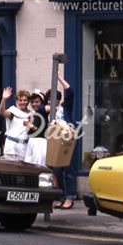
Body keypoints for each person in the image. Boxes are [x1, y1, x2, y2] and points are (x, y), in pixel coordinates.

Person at [47, 72, 78, 210]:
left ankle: (70, 197)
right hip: (55, 142)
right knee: (57, 171)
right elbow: (38, 109)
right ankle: (60, 196)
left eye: (55, 99)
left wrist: (60, 79)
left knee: (69, 170)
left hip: (67, 139)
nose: (52, 101)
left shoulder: (65, 108)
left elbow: (70, 92)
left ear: (60, 100)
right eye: (49, 99)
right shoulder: (48, 111)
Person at [0, 88, 32, 159]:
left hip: (23, 145)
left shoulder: (32, 114)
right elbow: (2, 112)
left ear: (28, 101)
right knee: (9, 166)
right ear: (17, 101)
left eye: (25, 100)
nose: (22, 102)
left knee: (22, 167)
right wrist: (4, 99)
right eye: (20, 100)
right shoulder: (13, 111)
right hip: (11, 144)